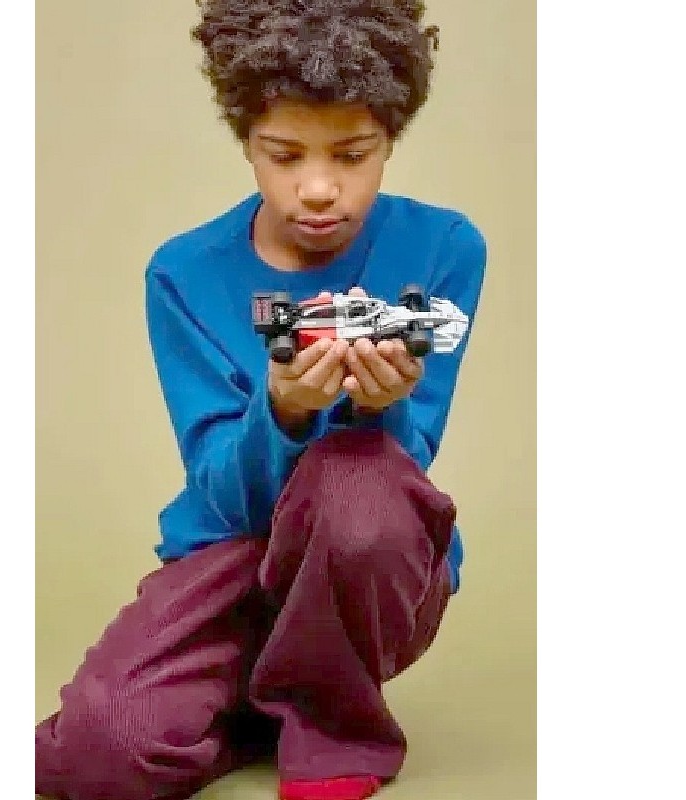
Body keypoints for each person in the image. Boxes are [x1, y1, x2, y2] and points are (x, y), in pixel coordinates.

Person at [35, 1, 488, 799]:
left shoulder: (446, 248)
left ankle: (336, 727)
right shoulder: (182, 272)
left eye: (353, 154)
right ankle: (259, 708)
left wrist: (379, 407)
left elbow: (405, 479)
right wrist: (282, 412)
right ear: (246, 140)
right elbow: (224, 494)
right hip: (235, 553)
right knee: (95, 754)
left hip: (369, 563)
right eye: (284, 155)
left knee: (356, 481)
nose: (318, 188)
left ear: (391, 139)